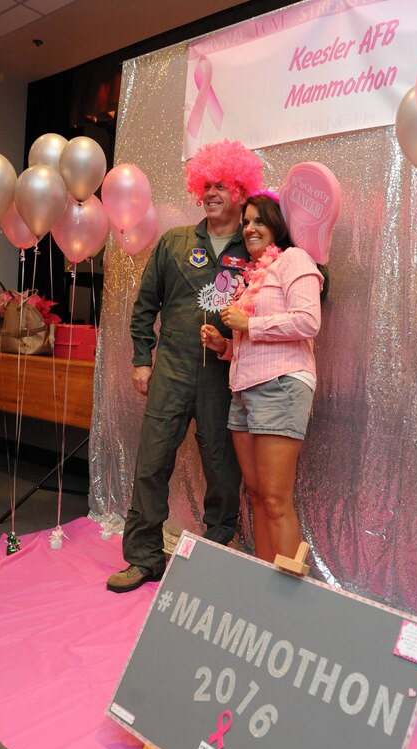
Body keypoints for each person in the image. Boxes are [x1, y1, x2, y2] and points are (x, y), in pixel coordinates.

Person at [107, 140, 264, 593]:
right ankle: (143, 558)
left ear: (240, 191)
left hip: (224, 375)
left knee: (223, 470)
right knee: (151, 464)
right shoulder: (175, 242)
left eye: (222, 185)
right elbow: (145, 306)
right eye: (206, 185)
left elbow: (300, 276)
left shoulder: (255, 246)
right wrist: (142, 360)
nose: (212, 193)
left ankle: (212, 557)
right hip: (172, 370)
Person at [201, 193, 323, 563]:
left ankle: (290, 593)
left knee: (274, 498)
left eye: (259, 221)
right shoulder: (252, 276)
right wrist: (225, 346)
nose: (249, 228)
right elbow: (253, 341)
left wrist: (248, 324)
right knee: (255, 495)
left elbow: (308, 321)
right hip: (243, 390)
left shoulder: (294, 259)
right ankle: (266, 580)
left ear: (277, 225)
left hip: (280, 385)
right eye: (246, 222)